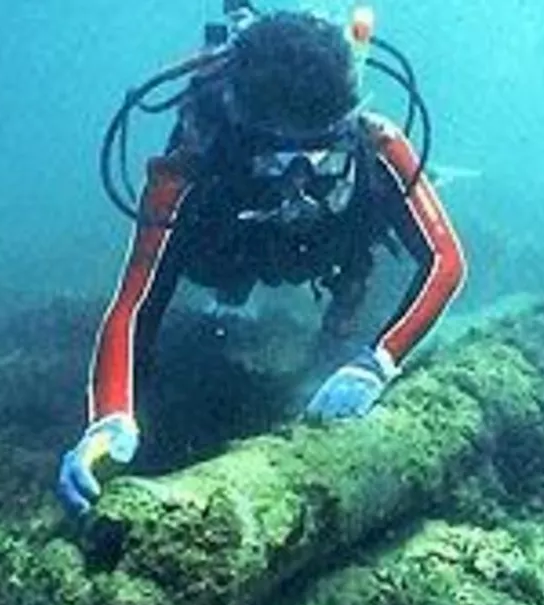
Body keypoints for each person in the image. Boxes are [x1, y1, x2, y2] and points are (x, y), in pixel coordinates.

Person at [57, 6, 465, 514]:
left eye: (318, 154)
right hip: (227, 251)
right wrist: (109, 418)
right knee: (222, 281)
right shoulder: (186, 170)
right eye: (276, 155)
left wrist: (376, 363)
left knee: (355, 259)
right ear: (240, 127)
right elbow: (134, 306)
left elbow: (447, 261)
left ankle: (338, 321)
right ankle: (232, 298)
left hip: (330, 250)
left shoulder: (373, 140)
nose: (298, 178)